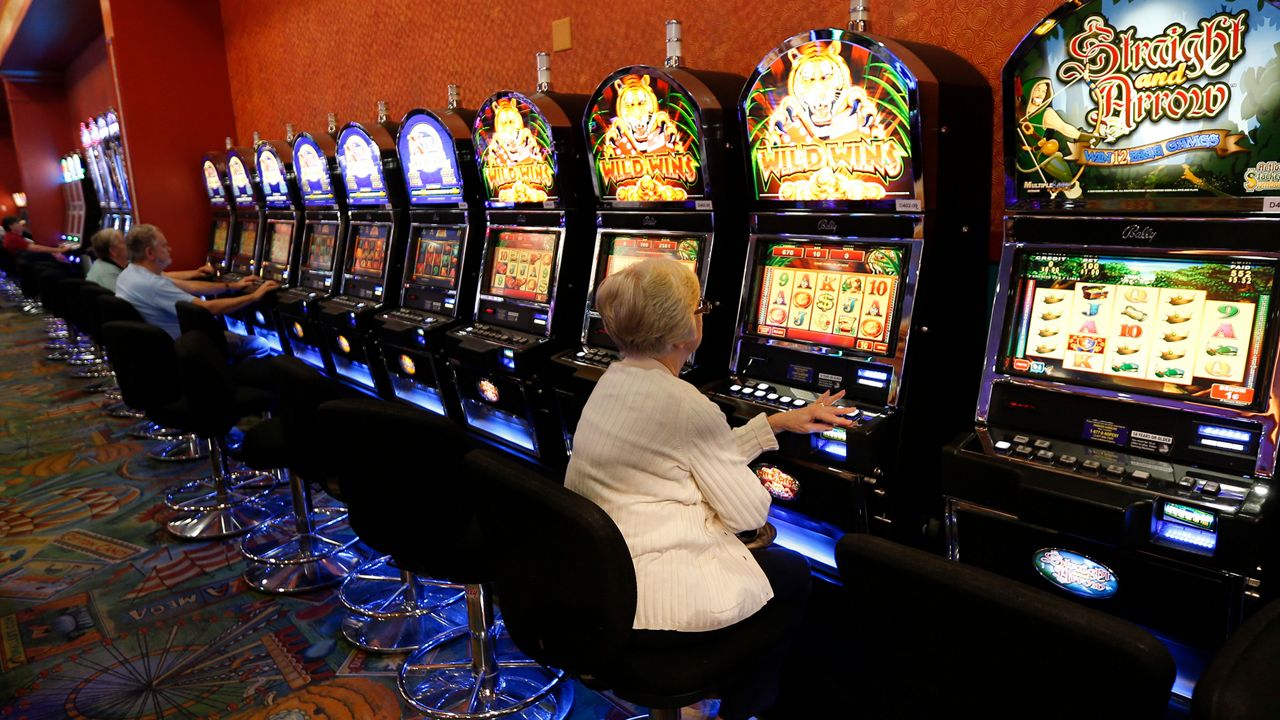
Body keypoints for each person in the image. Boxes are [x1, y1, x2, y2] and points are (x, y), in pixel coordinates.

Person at [565, 258, 857, 720]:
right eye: (698, 306)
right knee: (792, 573)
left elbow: (681, 455)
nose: (704, 314)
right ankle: (735, 711)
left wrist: (776, 424)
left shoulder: (615, 380)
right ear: (683, 331)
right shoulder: (685, 403)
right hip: (651, 603)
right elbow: (747, 512)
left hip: (601, 581)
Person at [115, 223, 278, 360]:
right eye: (164, 245)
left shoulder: (129, 274)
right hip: (187, 349)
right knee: (262, 344)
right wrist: (254, 296)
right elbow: (208, 308)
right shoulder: (152, 285)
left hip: (163, 347)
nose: (170, 249)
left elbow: (191, 287)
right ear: (150, 253)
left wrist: (233, 286)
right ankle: (226, 384)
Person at [2, 216, 72, 260]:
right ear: (11, 226)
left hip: (26, 260)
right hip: (30, 261)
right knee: (59, 256)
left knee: (55, 253)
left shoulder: (10, 236)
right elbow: (37, 248)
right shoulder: (13, 238)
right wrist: (59, 250)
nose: (21, 225)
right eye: (18, 223)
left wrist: (56, 248)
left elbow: (33, 244)